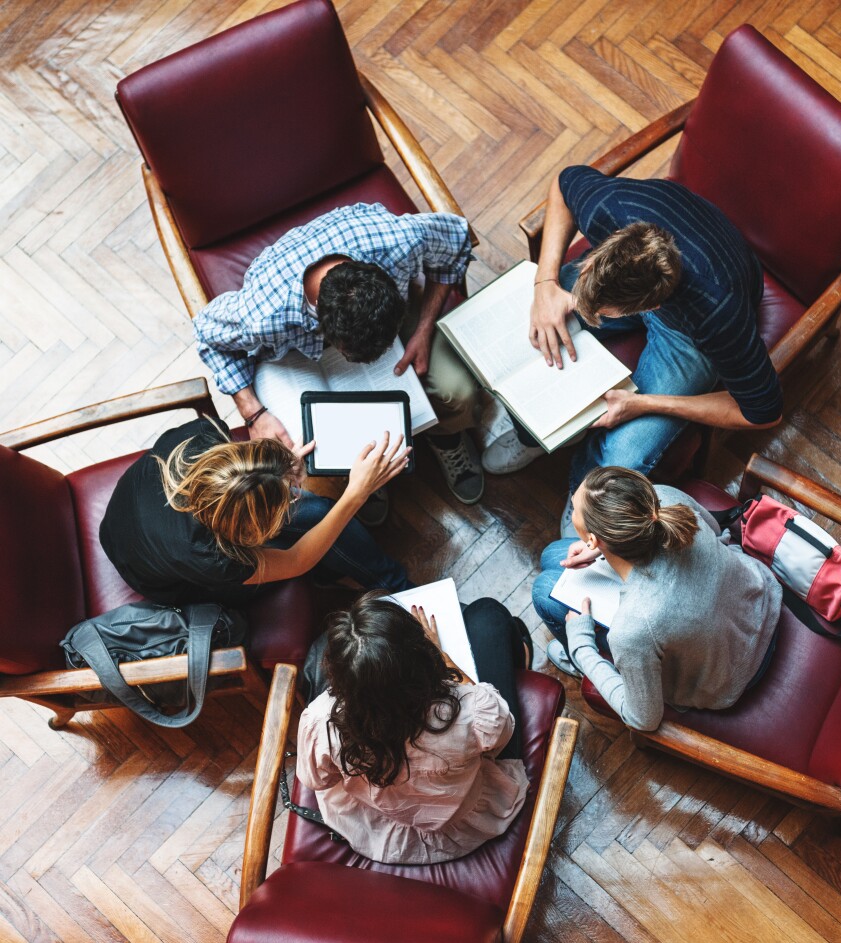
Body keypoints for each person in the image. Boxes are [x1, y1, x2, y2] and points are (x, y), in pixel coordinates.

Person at [483, 166, 783, 532]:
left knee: (623, 454)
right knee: (530, 336)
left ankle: (582, 494)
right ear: (594, 257)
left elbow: (763, 412)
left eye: (600, 314)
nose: (584, 310)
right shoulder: (608, 207)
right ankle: (534, 437)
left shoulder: (718, 315)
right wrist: (546, 282)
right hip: (662, 270)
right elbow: (563, 184)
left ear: (647, 310)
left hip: (688, 333)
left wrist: (645, 403)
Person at [193, 202, 485, 508]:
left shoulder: (399, 241)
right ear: (320, 326)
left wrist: (423, 329)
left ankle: (447, 437)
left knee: (458, 392)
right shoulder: (262, 314)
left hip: (385, 314)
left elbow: (457, 239)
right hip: (291, 356)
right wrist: (253, 413)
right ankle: (358, 480)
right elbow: (206, 333)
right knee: (312, 453)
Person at [532, 466, 782, 730]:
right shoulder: (663, 500)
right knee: (552, 556)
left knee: (544, 593)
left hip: (729, 678)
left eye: (574, 508)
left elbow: (644, 719)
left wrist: (581, 646)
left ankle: (581, 661)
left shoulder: (633, 629)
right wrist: (603, 549)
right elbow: (714, 530)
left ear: (593, 538)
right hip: (759, 597)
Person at [296, 593, 531, 864]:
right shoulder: (469, 710)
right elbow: (501, 736)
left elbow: (317, 781)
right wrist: (446, 660)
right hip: (465, 822)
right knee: (487, 613)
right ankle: (522, 650)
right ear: (422, 660)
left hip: (380, 828)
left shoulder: (320, 721)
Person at [100, 417, 411, 607]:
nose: (294, 490)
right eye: (286, 499)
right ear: (248, 532)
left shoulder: (201, 436)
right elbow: (297, 560)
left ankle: (385, 582)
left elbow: (243, 473)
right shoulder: (212, 557)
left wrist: (278, 469)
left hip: (126, 521)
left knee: (316, 511)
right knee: (316, 520)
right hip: (165, 579)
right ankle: (396, 589)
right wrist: (355, 494)